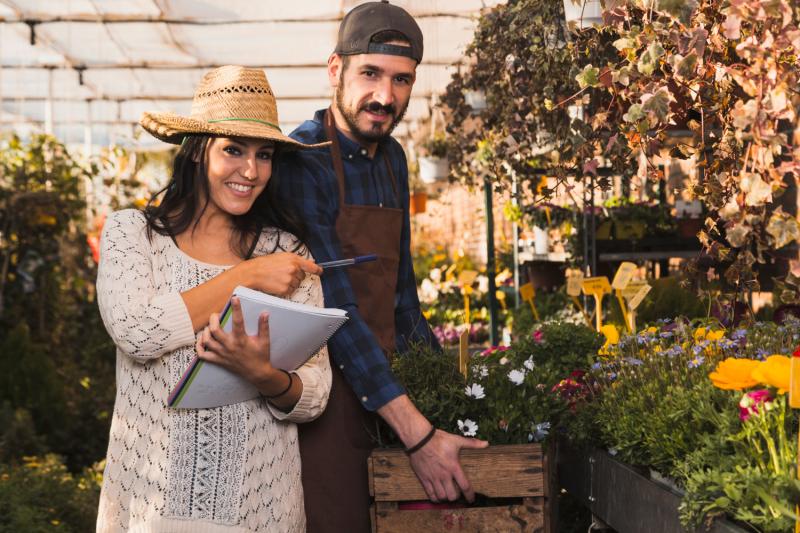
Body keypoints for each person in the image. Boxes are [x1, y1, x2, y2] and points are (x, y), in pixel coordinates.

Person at [276, 3, 488, 531]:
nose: (385, 96)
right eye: (370, 73)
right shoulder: (302, 158)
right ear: (335, 70)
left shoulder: (392, 157)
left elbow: (402, 298)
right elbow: (338, 309)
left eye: (401, 80)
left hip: (388, 387)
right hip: (324, 398)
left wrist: (455, 397)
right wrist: (417, 433)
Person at [95, 65, 332, 532]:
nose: (250, 170)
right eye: (234, 150)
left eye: (264, 155)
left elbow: (317, 394)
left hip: (261, 507)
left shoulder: (286, 253)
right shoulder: (132, 234)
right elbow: (137, 332)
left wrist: (265, 376)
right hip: (152, 507)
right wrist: (249, 276)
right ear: (199, 152)